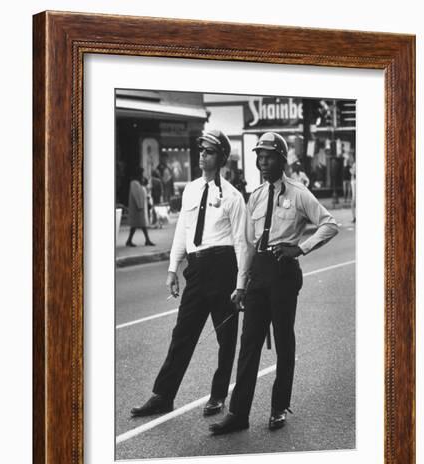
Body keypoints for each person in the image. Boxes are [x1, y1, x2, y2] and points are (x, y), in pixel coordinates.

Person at [210, 132, 339, 435]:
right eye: (259, 156)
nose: (262, 161)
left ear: (282, 159)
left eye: (268, 156)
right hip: (259, 275)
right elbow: (249, 245)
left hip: (284, 273)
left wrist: (301, 248)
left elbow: (329, 224)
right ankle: (238, 414)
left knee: (283, 343)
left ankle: (278, 408)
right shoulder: (254, 196)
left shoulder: (298, 192)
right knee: (248, 345)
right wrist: (241, 285)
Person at [130, 130, 248, 418]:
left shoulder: (233, 197)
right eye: (201, 151)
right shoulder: (191, 190)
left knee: (225, 337)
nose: (202, 156)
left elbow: (243, 243)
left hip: (223, 267)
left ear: (220, 157)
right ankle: (163, 395)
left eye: (208, 152)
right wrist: (173, 269)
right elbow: (183, 231)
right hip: (196, 268)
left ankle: (218, 395)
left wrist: (241, 284)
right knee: (182, 334)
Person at [125, 167, 155, 247]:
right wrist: (140, 206)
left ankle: (131, 240)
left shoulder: (137, 183)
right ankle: (146, 240)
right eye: (141, 173)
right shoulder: (134, 183)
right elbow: (136, 196)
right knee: (140, 225)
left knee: (137, 225)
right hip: (138, 208)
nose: (142, 175)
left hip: (140, 208)